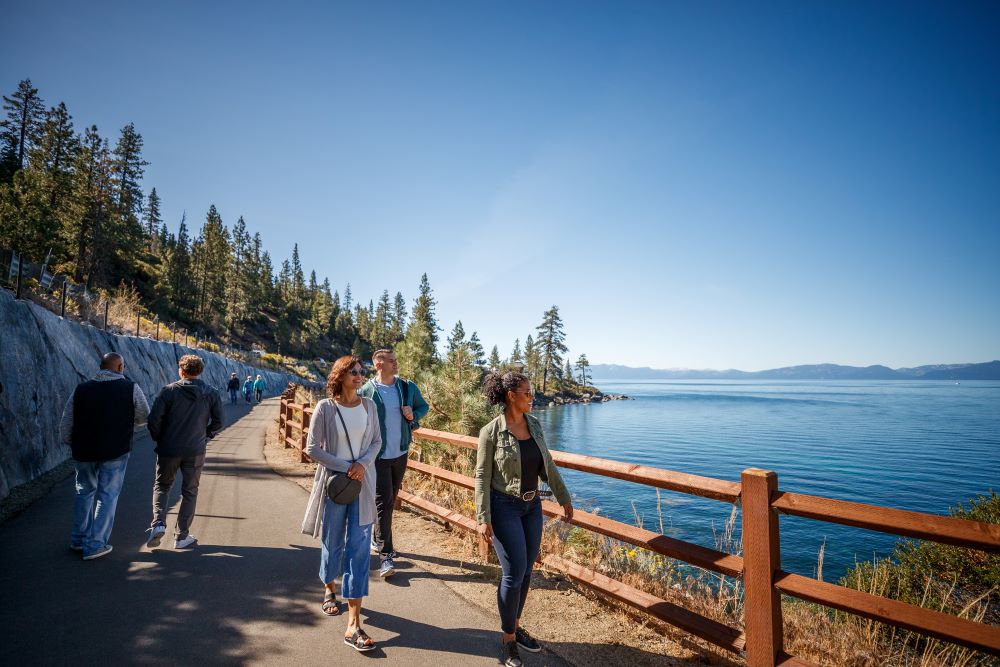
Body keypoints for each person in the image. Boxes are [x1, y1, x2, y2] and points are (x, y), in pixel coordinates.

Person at [476, 370, 573, 667]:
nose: (533, 397)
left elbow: (548, 464)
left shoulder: (534, 424)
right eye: (528, 392)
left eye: (532, 392)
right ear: (511, 396)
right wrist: (483, 516)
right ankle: (508, 640)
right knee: (513, 572)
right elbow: (481, 476)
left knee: (528, 569)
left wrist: (564, 498)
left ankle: (515, 628)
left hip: (532, 508)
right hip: (504, 506)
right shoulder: (490, 432)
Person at [301, 355, 381, 652]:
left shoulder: (370, 406)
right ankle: (328, 587)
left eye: (362, 372)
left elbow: (377, 442)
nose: (360, 376)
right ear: (341, 376)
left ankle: (354, 623)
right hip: (336, 486)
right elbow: (312, 448)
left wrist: (361, 464)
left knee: (359, 550)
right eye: (354, 372)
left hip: (362, 485)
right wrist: (346, 466)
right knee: (332, 541)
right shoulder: (325, 408)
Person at [59, 352, 149, 560]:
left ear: (101, 367)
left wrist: (70, 441)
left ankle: (79, 539)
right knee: (107, 495)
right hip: (115, 450)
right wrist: (127, 426)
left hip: (84, 451)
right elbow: (144, 416)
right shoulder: (130, 388)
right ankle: (96, 544)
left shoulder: (81, 389)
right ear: (119, 367)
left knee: (84, 492)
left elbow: (67, 420)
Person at [359, 348, 429, 577]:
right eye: (391, 361)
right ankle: (386, 556)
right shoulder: (367, 391)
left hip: (399, 453)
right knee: (384, 502)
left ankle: (376, 536)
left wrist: (413, 415)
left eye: (396, 360)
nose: (395, 363)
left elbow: (423, 406)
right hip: (377, 456)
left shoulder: (406, 387)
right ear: (379, 365)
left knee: (390, 499)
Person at [145, 354, 224, 550]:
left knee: (162, 486)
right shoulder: (211, 393)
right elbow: (219, 421)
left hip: (169, 448)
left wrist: (161, 438)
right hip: (195, 449)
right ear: (201, 371)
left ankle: (158, 524)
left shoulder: (168, 391)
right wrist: (206, 436)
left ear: (181, 371)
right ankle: (181, 537)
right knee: (190, 491)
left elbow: (153, 421)